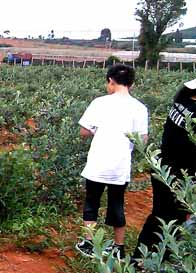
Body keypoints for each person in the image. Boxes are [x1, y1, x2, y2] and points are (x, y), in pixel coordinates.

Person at [75, 64, 148, 259]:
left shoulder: (100, 103)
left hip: (98, 162)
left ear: (111, 81)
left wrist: (97, 132)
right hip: (120, 165)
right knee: (117, 204)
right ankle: (119, 248)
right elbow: (142, 140)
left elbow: (83, 131)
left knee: (92, 201)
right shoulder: (140, 108)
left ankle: (89, 244)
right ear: (131, 83)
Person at [132, 80, 196, 262]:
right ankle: (164, 262)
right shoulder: (193, 113)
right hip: (178, 176)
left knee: (159, 216)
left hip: (164, 168)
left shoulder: (181, 104)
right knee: (173, 219)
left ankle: (139, 257)